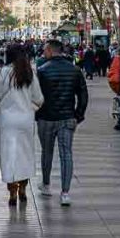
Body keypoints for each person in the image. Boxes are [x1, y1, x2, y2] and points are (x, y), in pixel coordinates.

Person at [0, 44, 43, 205]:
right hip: (26, 120)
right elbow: (39, 98)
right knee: (25, 154)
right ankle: (23, 188)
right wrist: (29, 109)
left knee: (8, 154)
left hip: (7, 120)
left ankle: (12, 190)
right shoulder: (29, 73)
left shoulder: (0, 72)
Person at [35, 39, 88, 206]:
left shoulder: (42, 71)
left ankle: (46, 185)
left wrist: (37, 113)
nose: (43, 53)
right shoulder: (75, 70)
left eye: (45, 50)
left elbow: (37, 96)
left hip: (46, 118)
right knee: (66, 154)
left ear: (51, 51)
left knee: (47, 152)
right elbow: (83, 96)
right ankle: (65, 192)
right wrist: (78, 115)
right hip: (67, 117)